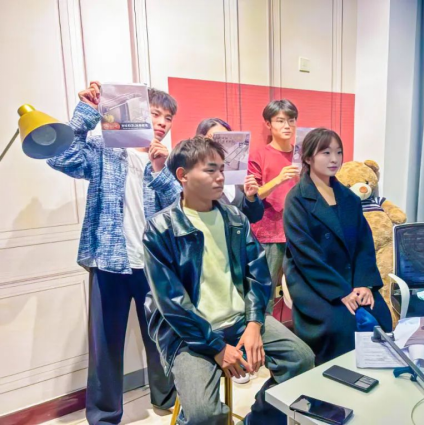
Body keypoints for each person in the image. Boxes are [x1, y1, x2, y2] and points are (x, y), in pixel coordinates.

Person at [143, 135, 314, 425]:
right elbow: (171, 302)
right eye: (210, 170)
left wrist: (254, 323)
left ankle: (258, 419)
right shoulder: (161, 227)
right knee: (204, 414)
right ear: (183, 175)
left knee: (301, 359)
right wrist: (217, 348)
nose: (220, 177)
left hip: (239, 320)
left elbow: (258, 275)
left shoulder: (235, 218)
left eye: (222, 169)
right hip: (188, 333)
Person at [47, 82, 180, 424]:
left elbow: (180, 209)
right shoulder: (104, 149)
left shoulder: (167, 159)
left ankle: (166, 398)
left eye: (168, 118)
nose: (162, 123)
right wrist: (87, 113)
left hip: (154, 265)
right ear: (137, 114)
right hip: (109, 261)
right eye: (155, 114)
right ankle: (105, 415)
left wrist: (160, 170)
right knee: (105, 344)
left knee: (162, 336)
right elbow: (60, 157)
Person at [283, 128, 393, 365]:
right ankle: (335, 379)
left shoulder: (349, 198)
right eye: (326, 153)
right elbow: (306, 256)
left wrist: (363, 283)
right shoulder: (297, 199)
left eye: (338, 152)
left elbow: (363, 243)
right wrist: (341, 291)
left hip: (353, 278)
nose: (334, 159)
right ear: (308, 157)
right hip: (315, 282)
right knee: (340, 325)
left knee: (381, 314)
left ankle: (376, 376)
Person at [248, 100, 301, 312]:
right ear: (268, 124)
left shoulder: (302, 155)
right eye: (280, 121)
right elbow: (253, 195)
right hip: (268, 232)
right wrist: (279, 179)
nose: (287, 126)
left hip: (298, 230)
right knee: (265, 291)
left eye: (291, 120)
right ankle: (261, 329)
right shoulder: (259, 155)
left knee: (302, 288)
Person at [196, 117, 264, 223]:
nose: (221, 145)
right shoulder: (197, 177)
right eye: (216, 138)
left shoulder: (239, 178)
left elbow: (255, 217)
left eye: (227, 138)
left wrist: (251, 197)